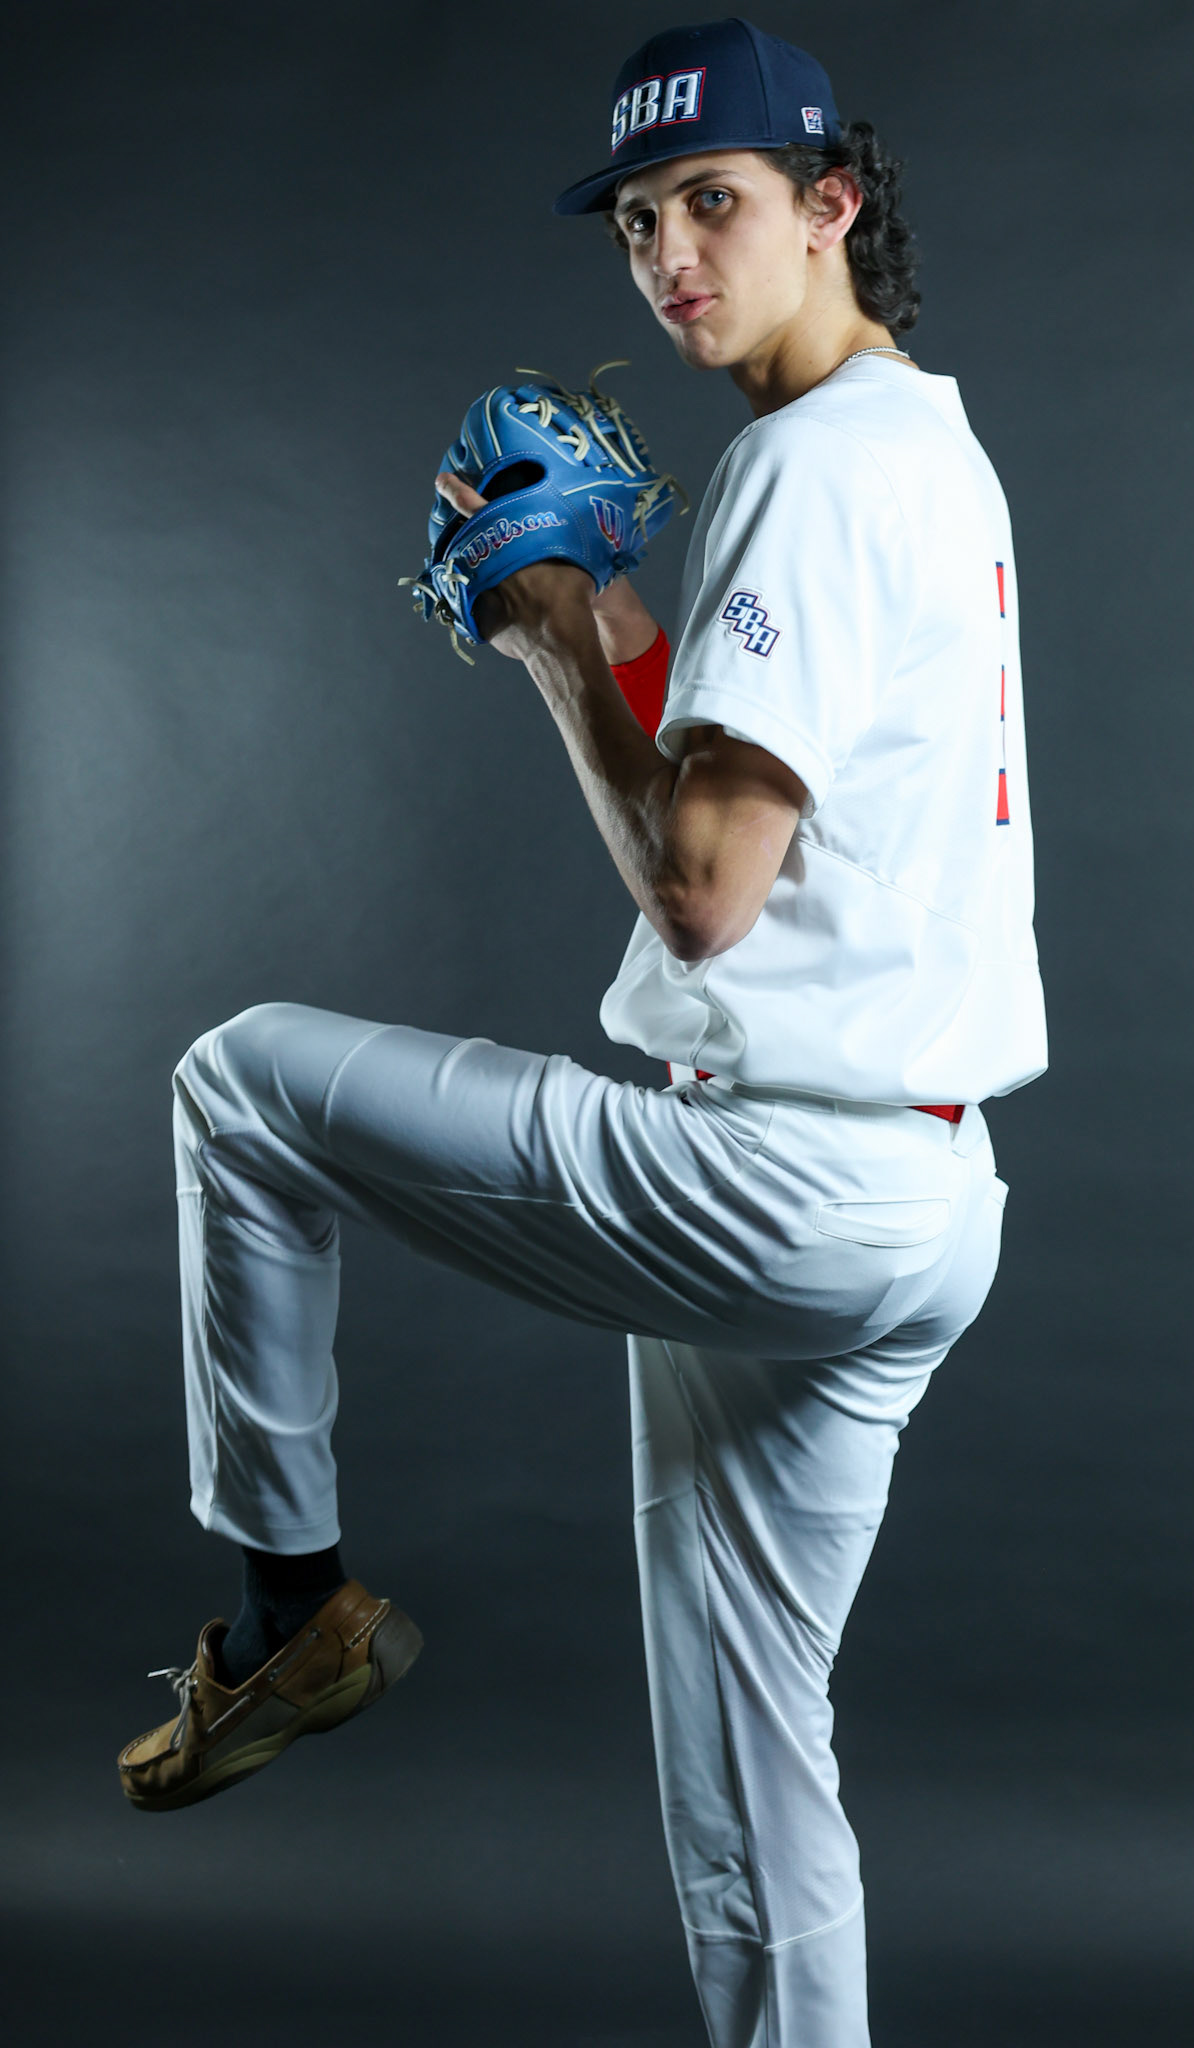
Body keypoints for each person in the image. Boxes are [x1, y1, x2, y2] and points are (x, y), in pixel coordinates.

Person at [117, 17, 1046, 2046]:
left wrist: (546, 626)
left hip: (775, 1180)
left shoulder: (803, 467)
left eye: (714, 201)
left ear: (830, 203)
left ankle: (289, 1613)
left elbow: (700, 890)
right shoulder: (919, 444)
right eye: (635, 222)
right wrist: (613, 617)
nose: (669, 258)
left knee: (240, 1086)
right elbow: (766, 806)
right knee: (756, 1776)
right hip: (920, 1193)